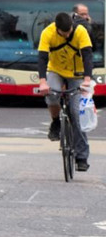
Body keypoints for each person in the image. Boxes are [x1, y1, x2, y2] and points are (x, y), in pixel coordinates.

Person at [36, 10, 94, 171]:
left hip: (77, 74)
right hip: (56, 70)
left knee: (76, 113)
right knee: (52, 96)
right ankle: (55, 122)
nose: (67, 35)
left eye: (69, 32)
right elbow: (42, 58)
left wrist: (87, 81)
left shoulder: (80, 31)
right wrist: (42, 83)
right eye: (64, 33)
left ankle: (82, 157)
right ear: (57, 29)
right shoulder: (48, 32)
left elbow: (87, 56)